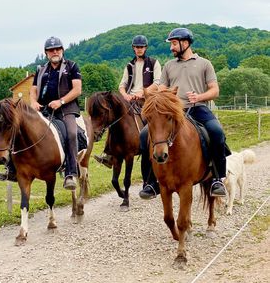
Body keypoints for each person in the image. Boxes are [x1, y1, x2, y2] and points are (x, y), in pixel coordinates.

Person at [139, 27, 227, 199]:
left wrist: (199, 96)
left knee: (217, 132)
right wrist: (151, 95)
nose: (171, 48)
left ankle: (218, 179)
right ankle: (150, 182)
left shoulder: (204, 64)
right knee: (144, 136)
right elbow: (162, 88)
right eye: (171, 44)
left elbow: (215, 90)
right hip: (172, 112)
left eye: (173, 44)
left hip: (198, 108)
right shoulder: (169, 66)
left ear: (185, 43)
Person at [0, 36, 82, 191]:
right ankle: (12, 169)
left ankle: (70, 173)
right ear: (46, 53)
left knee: (71, 133)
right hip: (44, 109)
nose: (54, 52)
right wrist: (34, 102)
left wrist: (61, 101)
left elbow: (77, 89)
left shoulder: (72, 66)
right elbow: (33, 90)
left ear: (62, 50)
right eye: (51, 50)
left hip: (66, 109)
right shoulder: (41, 70)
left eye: (57, 49)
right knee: (19, 129)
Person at [94, 34, 162, 196]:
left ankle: (151, 147)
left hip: (147, 101)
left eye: (141, 47)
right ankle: (108, 153)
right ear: (133, 48)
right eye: (136, 47)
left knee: (149, 122)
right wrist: (125, 95)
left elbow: (158, 82)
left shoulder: (153, 63)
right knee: (115, 119)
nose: (139, 49)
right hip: (130, 100)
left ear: (145, 48)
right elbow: (122, 84)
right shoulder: (129, 65)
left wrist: (141, 92)